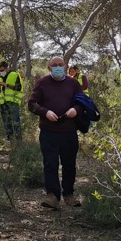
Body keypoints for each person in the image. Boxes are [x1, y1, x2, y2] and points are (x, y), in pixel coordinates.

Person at [29, 55, 83, 209]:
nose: (58, 67)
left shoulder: (73, 83)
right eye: (55, 65)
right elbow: (32, 104)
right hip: (48, 132)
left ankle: (69, 194)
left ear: (65, 66)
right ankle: (52, 195)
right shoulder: (42, 83)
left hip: (69, 132)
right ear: (49, 67)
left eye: (61, 64)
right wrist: (45, 112)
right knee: (50, 164)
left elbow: (82, 102)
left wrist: (75, 109)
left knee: (69, 164)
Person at [0, 59, 24, 142]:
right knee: (6, 121)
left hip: (13, 102)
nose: (1, 72)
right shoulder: (0, 77)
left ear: (7, 68)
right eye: (0, 70)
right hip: (3, 103)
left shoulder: (15, 75)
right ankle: (9, 138)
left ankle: (18, 140)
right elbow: (0, 92)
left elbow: (19, 88)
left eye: (2, 70)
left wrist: (6, 85)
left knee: (15, 120)